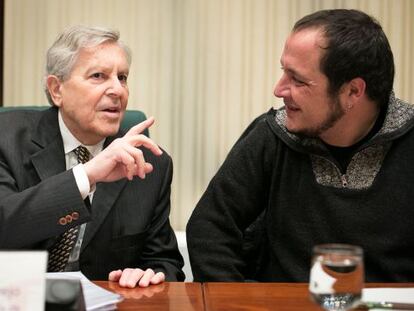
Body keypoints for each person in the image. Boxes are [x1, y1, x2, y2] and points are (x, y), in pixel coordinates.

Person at [186, 9, 414, 283]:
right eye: (284, 72)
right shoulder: (272, 135)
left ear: (353, 91)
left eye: (298, 80)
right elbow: (209, 228)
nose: (279, 89)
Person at [0, 25, 184, 287]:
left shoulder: (150, 164)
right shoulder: (5, 139)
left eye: (122, 77)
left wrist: (150, 274)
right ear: (57, 90)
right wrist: (86, 175)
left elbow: (164, 262)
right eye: (98, 76)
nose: (117, 90)